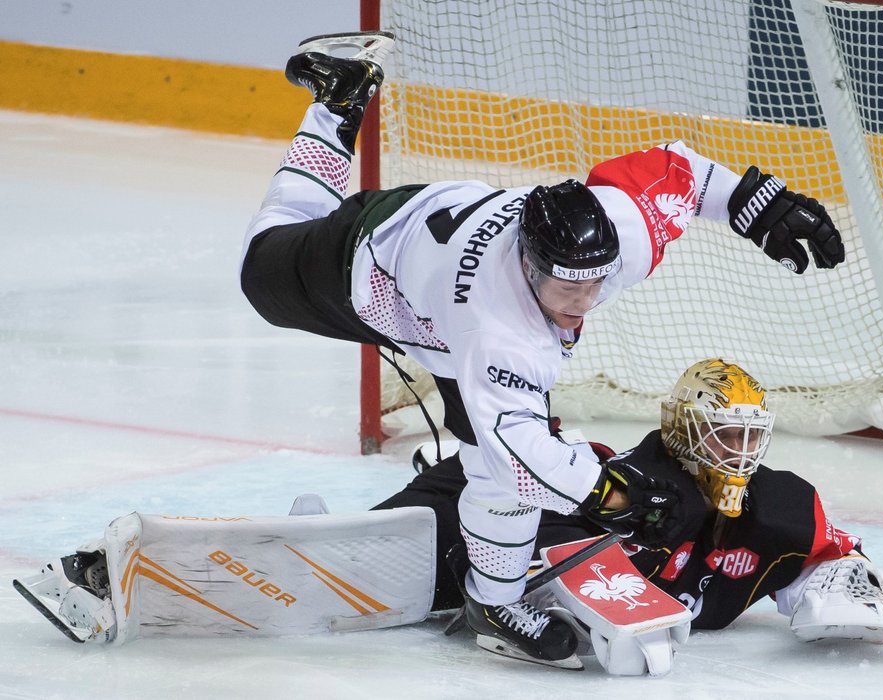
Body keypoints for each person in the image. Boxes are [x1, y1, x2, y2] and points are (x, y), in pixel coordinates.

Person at [239, 30, 846, 666]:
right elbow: (525, 458)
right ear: (528, 264)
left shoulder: (619, 236)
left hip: (447, 282)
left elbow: (680, 174)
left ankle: (496, 602)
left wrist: (760, 205)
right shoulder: (502, 330)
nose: (583, 302)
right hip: (371, 264)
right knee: (262, 268)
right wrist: (618, 496)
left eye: (595, 282)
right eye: (564, 286)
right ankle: (338, 102)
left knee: (486, 456)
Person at [375, 358, 883, 670]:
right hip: (496, 518)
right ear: (686, 430)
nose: (738, 450)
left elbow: (834, 555)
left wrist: (832, 587)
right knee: (489, 503)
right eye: (725, 434)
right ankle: (452, 477)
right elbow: (551, 511)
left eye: (750, 436)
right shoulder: (641, 492)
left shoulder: (780, 509)